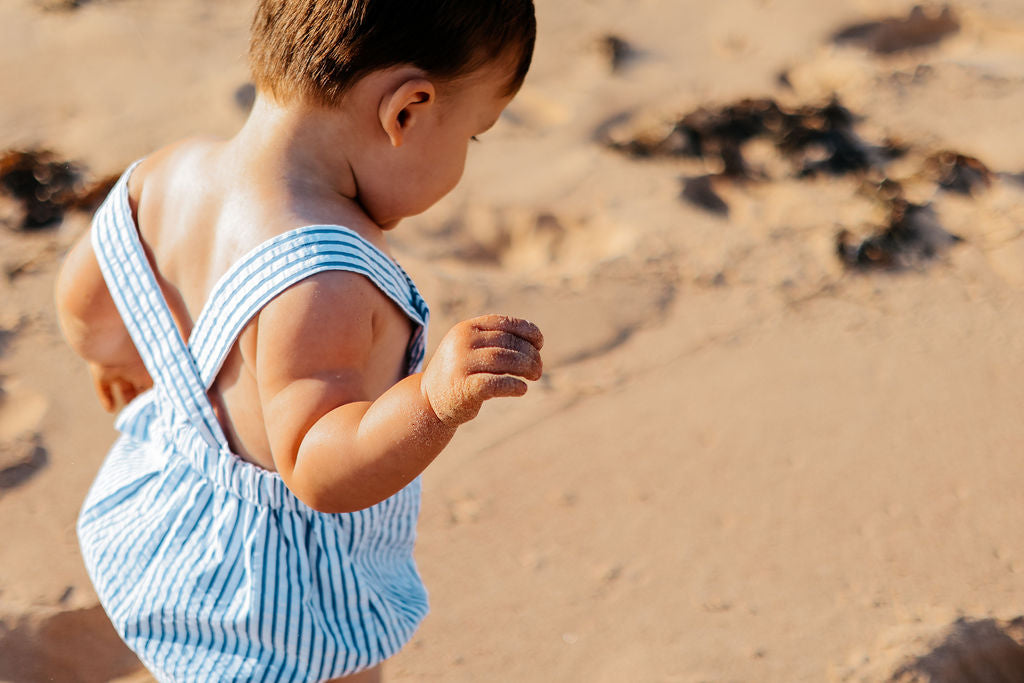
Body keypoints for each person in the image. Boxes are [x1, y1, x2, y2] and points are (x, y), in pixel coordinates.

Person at [54, 1, 541, 680]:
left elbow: (88, 297)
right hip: (278, 600)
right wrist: (431, 401)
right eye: (474, 133)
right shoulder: (325, 278)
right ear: (407, 110)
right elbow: (317, 465)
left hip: (173, 520)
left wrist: (111, 362)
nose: (466, 158)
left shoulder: (170, 173)